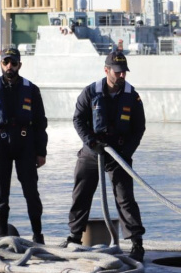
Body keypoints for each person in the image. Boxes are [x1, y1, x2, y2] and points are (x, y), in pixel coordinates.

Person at [61, 51, 146, 261]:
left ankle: (136, 243)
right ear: (106, 70)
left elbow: (139, 128)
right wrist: (91, 142)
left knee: (125, 198)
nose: (121, 76)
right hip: (92, 151)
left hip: (119, 154)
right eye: (117, 72)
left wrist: (126, 152)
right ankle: (75, 236)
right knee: (81, 194)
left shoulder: (132, 96)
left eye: (124, 72)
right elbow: (78, 120)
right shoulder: (90, 93)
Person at [0, 47, 48, 244]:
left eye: (13, 63)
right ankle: (3, 236)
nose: (9, 66)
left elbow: (40, 124)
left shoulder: (31, 90)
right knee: (1, 196)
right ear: (1, 64)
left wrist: (41, 152)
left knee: (31, 193)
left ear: (19, 65)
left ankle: (38, 236)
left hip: (25, 144)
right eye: (6, 62)